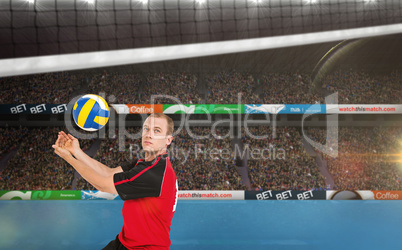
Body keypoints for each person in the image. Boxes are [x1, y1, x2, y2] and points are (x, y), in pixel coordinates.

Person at [52, 113, 178, 250]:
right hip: (125, 242)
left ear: (168, 140)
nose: (149, 134)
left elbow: (103, 184)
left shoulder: (155, 172)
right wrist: (76, 152)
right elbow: (108, 172)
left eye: (157, 131)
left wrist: (69, 158)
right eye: (146, 128)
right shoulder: (144, 163)